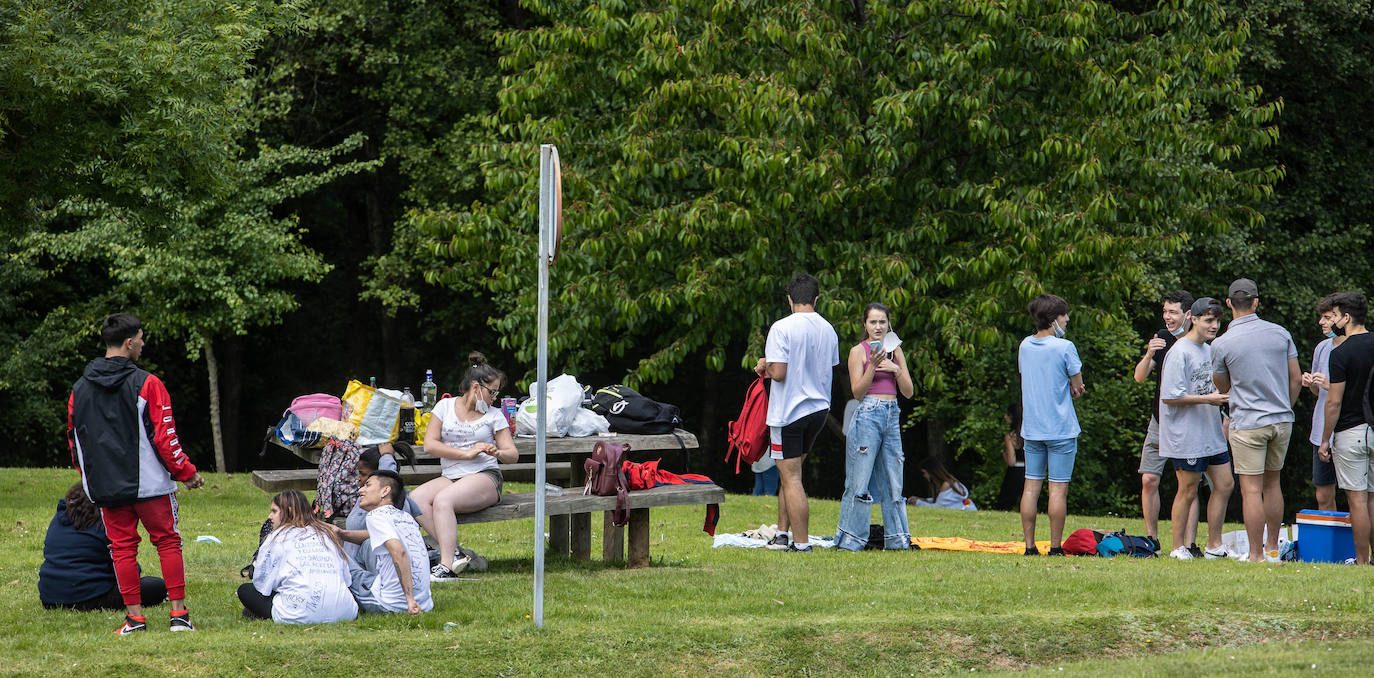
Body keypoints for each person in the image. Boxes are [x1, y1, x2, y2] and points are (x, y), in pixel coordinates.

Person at [67, 313, 204, 634]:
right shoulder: (149, 383)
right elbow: (165, 437)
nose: (143, 344)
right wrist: (186, 473)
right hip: (152, 484)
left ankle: (134, 619)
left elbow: (74, 441)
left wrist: (90, 478)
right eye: (141, 338)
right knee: (168, 542)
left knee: (122, 549)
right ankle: (179, 616)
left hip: (106, 486)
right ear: (129, 343)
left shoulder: (79, 389)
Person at [1211, 278, 1301, 563]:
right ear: (1256, 302)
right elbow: (1296, 378)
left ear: (1228, 304)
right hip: (1281, 419)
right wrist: (1285, 406)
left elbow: (1222, 386)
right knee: (1272, 484)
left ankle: (1256, 554)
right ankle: (1274, 548)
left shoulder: (1222, 343)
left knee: (1251, 489)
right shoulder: (1280, 333)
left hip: (1248, 421)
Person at [410, 352, 516, 582]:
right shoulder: (444, 406)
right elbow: (430, 444)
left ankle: (447, 566)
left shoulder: (494, 416)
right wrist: (465, 454)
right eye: (493, 392)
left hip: (484, 477)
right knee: (415, 499)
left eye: (497, 393)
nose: (495, 398)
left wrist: (498, 452)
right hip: (452, 476)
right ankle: (457, 553)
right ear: (476, 387)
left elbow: (512, 455)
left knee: (443, 500)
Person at [753, 273, 839, 552]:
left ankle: (801, 544)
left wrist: (764, 364)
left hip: (789, 412)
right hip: (819, 409)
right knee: (790, 474)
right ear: (816, 298)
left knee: (791, 478)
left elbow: (778, 373)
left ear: (790, 299)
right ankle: (781, 534)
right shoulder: (828, 329)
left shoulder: (781, 327)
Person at [1158, 298, 1236, 560]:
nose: (1214, 326)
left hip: (1211, 432)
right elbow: (1170, 396)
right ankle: (1178, 547)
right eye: (1208, 320)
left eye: (1217, 321)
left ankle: (1214, 545)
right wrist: (1209, 399)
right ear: (1194, 319)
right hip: (1186, 435)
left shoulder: (1210, 350)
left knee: (1225, 484)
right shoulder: (1180, 352)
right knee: (1188, 490)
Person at [835, 303, 915, 551]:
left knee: (894, 482)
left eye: (882, 322)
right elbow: (857, 392)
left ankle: (897, 540)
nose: (878, 327)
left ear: (888, 324)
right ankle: (850, 540)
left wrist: (895, 369)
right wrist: (873, 365)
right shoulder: (857, 351)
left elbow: (909, 392)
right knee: (859, 482)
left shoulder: (896, 351)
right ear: (865, 325)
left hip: (892, 415)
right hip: (868, 413)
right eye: (873, 322)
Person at [1131, 290, 1200, 548]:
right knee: (1148, 479)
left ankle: (1190, 545)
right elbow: (1139, 377)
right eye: (1165, 311)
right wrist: (1149, 354)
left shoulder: (1199, 341)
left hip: (1189, 423)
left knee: (1189, 485)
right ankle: (1152, 540)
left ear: (1188, 315)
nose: (1167, 317)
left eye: (1173, 312)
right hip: (1160, 421)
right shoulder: (1161, 338)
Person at [1018, 294, 1085, 556]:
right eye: (1064, 315)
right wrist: (1073, 387)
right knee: (1057, 489)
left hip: (1032, 428)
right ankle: (1055, 547)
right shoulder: (1065, 346)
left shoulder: (1024, 345)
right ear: (1053, 319)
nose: (1067, 319)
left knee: (1031, 487)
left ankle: (1029, 546)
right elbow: (1077, 385)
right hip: (1061, 429)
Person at [39, 483, 167, 611]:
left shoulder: (58, 519)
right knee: (156, 586)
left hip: (50, 598)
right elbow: (127, 568)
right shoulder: (104, 525)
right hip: (89, 597)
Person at [238, 490, 358, 624]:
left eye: (274, 511)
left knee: (244, 591)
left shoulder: (277, 537)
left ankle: (260, 612)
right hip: (346, 612)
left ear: (289, 511)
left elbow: (261, 584)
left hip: (298, 613)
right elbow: (347, 580)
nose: (270, 516)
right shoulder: (326, 535)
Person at [1317, 292, 1374, 564]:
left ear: (1346, 317)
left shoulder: (1340, 353)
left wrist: (1325, 439)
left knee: (1358, 501)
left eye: (1335, 316)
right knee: (1373, 498)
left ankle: (1362, 560)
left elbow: (1334, 402)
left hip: (1352, 431)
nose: (1333, 321)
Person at [334, 470, 432, 614]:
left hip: (389, 603)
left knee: (332, 548)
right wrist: (342, 534)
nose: (361, 490)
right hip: (425, 603)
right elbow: (373, 536)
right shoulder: (405, 517)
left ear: (385, 491)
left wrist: (409, 600)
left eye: (367, 485)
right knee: (368, 544)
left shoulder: (376, 516)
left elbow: (399, 552)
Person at [344, 446, 423, 561]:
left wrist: (387, 455)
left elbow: (386, 476)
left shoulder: (389, 506)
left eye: (363, 474)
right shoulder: (367, 498)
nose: (358, 478)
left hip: (371, 572)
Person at [1302, 294, 1342, 511]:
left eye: (1327, 317)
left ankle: (1357, 544)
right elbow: (1318, 392)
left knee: (1357, 495)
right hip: (1320, 432)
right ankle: (1330, 544)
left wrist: (1331, 386)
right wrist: (1310, 383)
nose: (1321, 322)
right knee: (1323, 494)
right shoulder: (1322, 348)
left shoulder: (1358, 348)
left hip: (1346, 431)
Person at [907, 457, 977, 511]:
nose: (924, 476)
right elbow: (942, 501)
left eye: (924, 473)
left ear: (931, 472)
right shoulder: (949, 482)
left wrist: (918, 502)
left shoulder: (946, 485)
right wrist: (922, 499)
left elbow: (939, 508)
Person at [996, 405, 1026, 511]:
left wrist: (1004, 455)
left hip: (1015, 472)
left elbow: (1011, 461)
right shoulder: (1028, 435)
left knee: (1005, 502)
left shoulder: (1010, 437)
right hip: (1029, 472)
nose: (1005, 417)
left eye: (1008, 415)